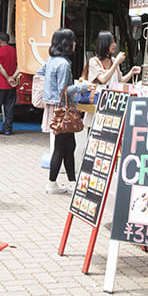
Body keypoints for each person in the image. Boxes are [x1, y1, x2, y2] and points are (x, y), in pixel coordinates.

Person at [38, 29, 94, 194]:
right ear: (66, 43)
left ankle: (70, 182)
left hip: (55, 108)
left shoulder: (51, 61)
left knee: (68, 145)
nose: (75, 43)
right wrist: (84, 86)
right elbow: (65, 89)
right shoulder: (63, 64)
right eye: (73, 40)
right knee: (62, 147)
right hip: (63, 110)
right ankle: (52, 184)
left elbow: (40, 75)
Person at [0, 32, 18, 136]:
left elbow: (0, 67)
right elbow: (20, 67)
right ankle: (7, 129)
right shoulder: (15, 51)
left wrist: (7, 78)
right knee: (9, 108)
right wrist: (12, 77)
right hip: (12, 85)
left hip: (0, 84)